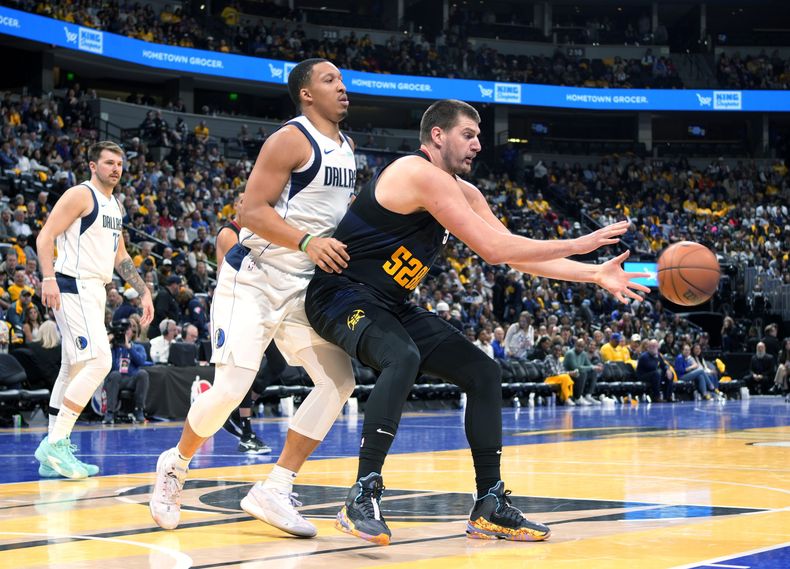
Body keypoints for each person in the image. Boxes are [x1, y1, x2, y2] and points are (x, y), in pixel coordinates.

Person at [304, 99, 648, 545]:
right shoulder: (416, 173)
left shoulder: (465, 193)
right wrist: (579, 244)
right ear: (437, 136)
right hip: (340, 294)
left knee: (484, 372)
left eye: (479, 136)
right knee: (402, 356)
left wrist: (594, 273)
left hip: (390, 303)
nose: (478, 145)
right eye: (468, 135)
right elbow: (494, 250)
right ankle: (362, 493)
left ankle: (489, 504)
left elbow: (513, 253)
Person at [150, 59, 358, 537]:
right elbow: (250, 212)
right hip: (256, 278)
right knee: (231, 389)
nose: (342, 88)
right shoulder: (291, 138)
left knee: (339, 381)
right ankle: (176, 463)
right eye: (330, 80)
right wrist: (307, 242)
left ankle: (276, 488)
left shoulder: (347, 147)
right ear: (306, 93)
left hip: (304, 285)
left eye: (343, 81)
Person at [34, 140, 154, 479]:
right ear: (92, 165)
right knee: (100, 362)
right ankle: (56, 443)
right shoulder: (80, 195)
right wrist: (47, 278)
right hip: (73, 284)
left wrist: (143, 290)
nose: (116, 168)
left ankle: (52, 455)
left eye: (119, 163)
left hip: (94, 289)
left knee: (72, 368)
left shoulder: (114, 204)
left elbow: (121, 256)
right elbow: (45, 237)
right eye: (109, 162)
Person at [214, 188, 272, 455]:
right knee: (245, 366)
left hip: (260, 305)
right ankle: (246, 431)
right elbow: (240, 272)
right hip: (235, 304)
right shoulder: (230, 233)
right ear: (236, 206)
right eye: (241, 201)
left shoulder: (258, 232)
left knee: (277, 365)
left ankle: (239, 411)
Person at [102, 319, 151, 424]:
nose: (125, 332)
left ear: (131, 332)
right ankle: (110, 412)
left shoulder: (138, 347)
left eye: (127, 329)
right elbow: (106, 365)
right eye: (123, 330)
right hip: (116, 379)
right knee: (115, 374)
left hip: (131, 379)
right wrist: (108, 346)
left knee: (143, 374)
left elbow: (141, 361)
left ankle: (139, 410)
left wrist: (129, 347)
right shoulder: (113, 348)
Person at [563, 337, 602, 405]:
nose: (580, 348)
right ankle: (578, 398)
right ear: (575, 345)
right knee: (582, 373)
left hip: (578, 374)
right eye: (578, 346)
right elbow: (576, 367)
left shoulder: (583, 353)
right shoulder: (570, 353)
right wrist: (592, 367)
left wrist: (596, 367)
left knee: (593, 372)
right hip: (568, 374)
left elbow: (589, 365)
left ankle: (588, 395)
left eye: (582, 347)